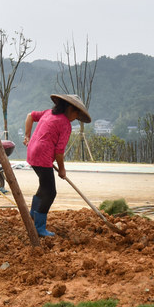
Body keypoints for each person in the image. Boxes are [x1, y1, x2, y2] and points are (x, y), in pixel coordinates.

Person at [23, 94, 91, 237]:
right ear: (70, 109)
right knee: (50, 192)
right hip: (42, 156)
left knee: (44, 186)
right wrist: (62, 170)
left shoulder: (48, 113)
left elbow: (30, 115)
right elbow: (59, 152)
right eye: (76, 114)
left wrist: (27, 136)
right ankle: (39, 228)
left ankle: (33, 214)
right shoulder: (65, 124)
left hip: (32, 152)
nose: (75, 118)